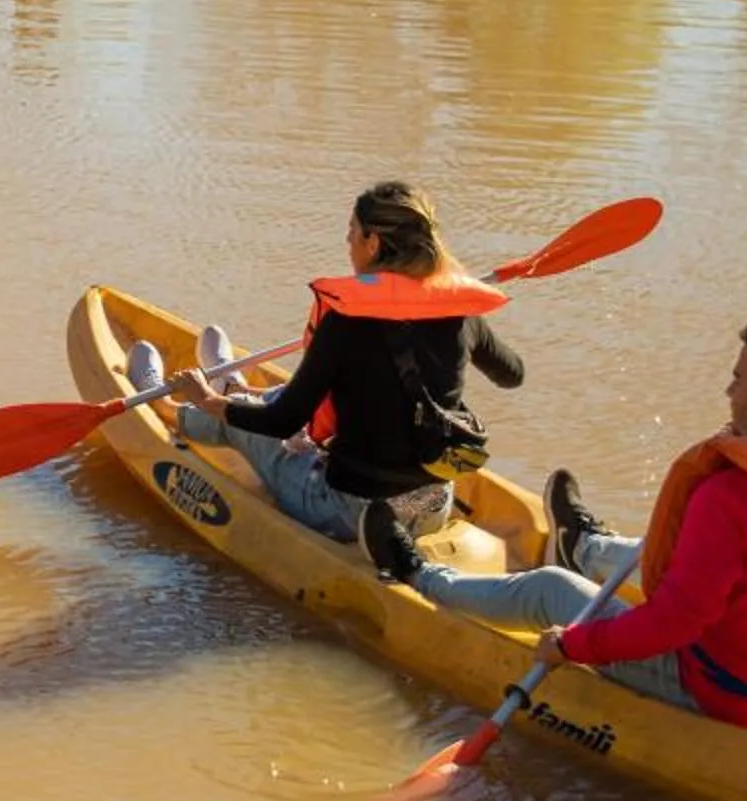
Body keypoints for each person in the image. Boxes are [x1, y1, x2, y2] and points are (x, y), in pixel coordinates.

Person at [360, 317, 747, 736]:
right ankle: (583, 545)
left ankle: (416, 573)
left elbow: (675, 622)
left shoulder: (731, 494)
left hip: (731, 695)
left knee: (549, 591)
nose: (726, 390)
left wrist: (575, 645)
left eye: (737, 379)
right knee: (660, 551)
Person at [125, 180, 523, 545]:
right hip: (435, 507)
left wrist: (207, 398)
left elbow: (280, 423)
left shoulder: (346, 321)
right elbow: (512, 375)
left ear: (373, 242)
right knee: (313, 400)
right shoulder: (460, 311)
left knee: (246, 426)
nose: (347, 241)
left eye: (352, 232)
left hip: (351, 514)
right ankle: (234, 387)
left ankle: (170, 404)